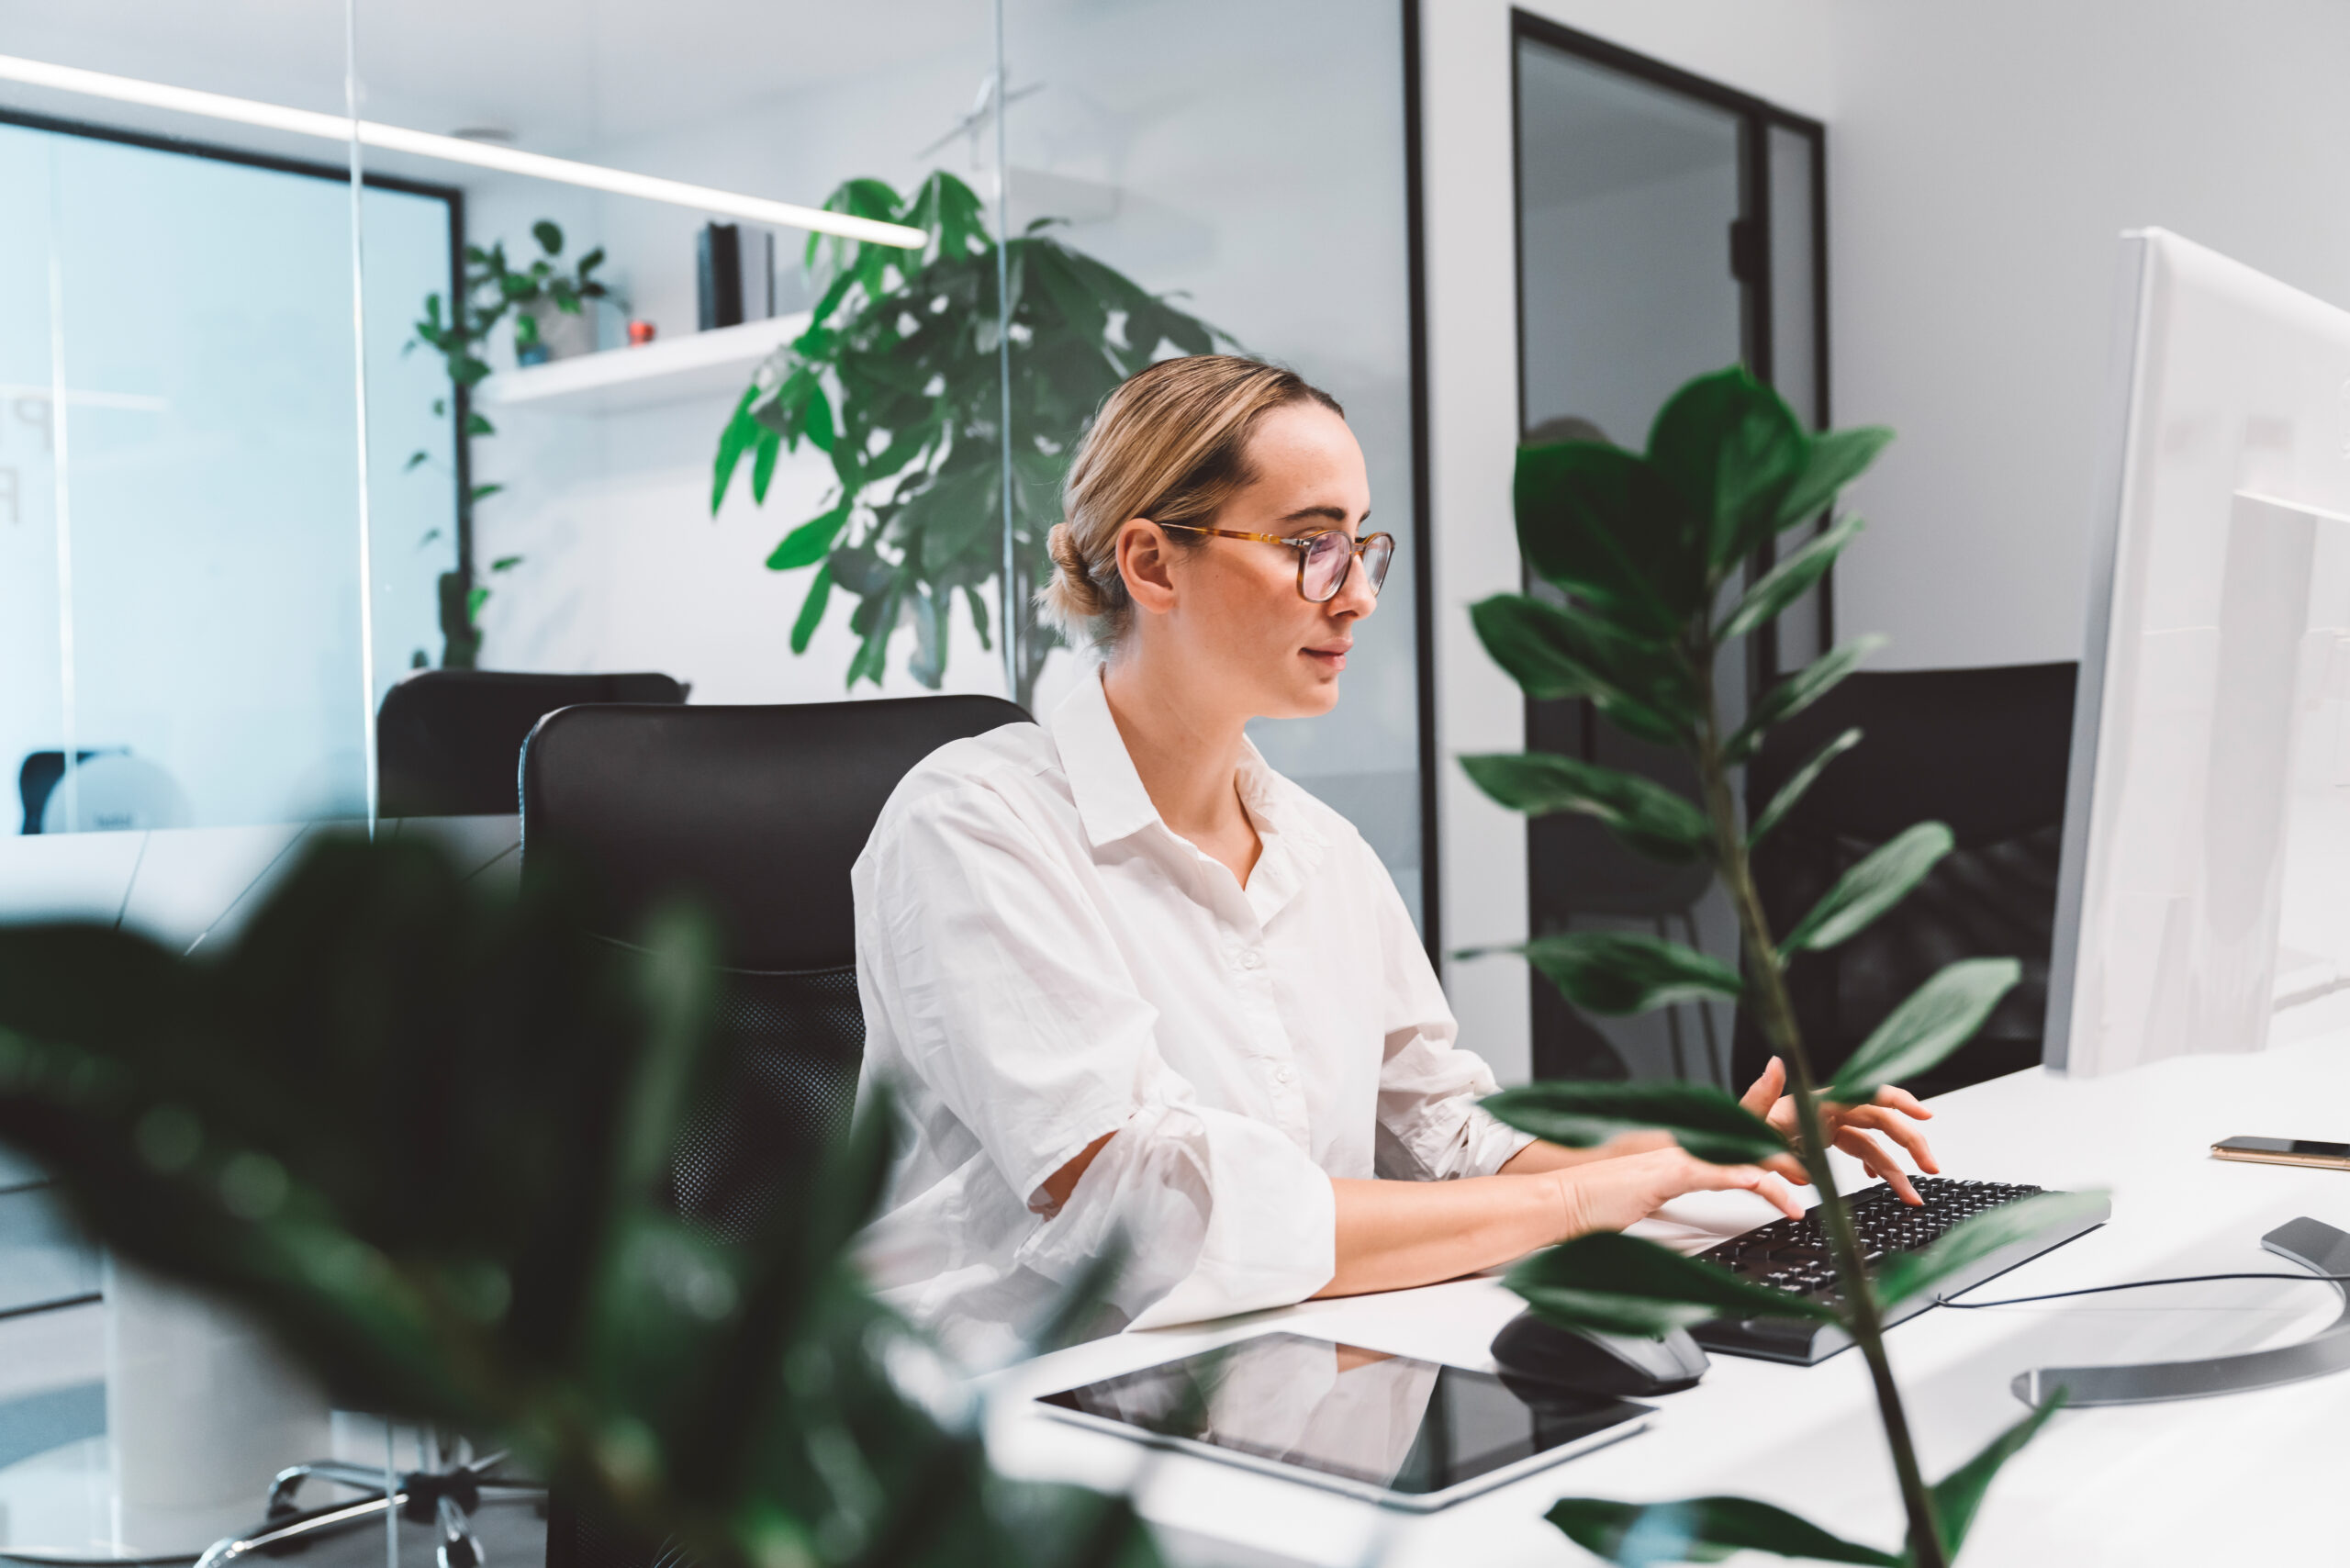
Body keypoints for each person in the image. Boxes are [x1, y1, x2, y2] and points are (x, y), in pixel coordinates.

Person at [851, 354, 1935, 1364]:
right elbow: (1151, 1217)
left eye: (1361, 545)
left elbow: (1447, 1135)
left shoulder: (1323, 853)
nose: (1358, 594)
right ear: (1151, 562)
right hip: (993, 1435)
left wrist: (1699, 1147)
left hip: (1260, 1380)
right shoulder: (973, 823)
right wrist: (1589, 1199)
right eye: (1308, 544)